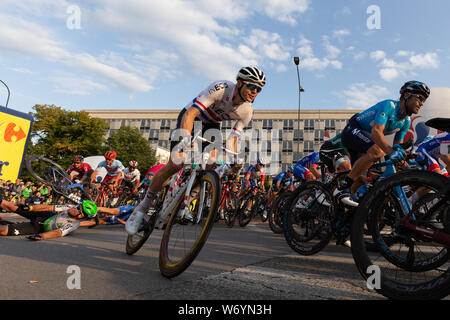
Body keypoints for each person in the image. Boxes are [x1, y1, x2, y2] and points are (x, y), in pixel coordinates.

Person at [126, 66, 266, 235]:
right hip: (192, 116)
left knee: (211, 164)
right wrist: (185, 138)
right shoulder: (221, 88)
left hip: (212, 126)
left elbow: (233, 139)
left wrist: (235, 159)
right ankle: (143, 207)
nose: (255, 92)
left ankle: (186, 201)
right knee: (176, 163)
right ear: (239, 83)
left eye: (259, 89)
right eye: (252, 86)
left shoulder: (247, 110)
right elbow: (191, 114)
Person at [336, 80, 431, 204]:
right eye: (420, 98)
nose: (422, 103)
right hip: (353, 130)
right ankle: (342, 188)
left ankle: (345, 217)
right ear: (407, 95)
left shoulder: (406, 121)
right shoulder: (389, 106)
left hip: (364, 140)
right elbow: (376, 132)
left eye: (424, 100)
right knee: (377, 152)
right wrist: (392, 152)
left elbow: (397, 146)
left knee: (361, 180)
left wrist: (404, 162)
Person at [0, 199, 98, 240]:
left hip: (39, 227)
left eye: (78, 208)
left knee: (4, 231)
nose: (74, 207)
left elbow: (58, 232)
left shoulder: (73, 224)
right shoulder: (69, 206)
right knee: (11, 206)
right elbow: (48, 207)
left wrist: (42, 236)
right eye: (78, 205)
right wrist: (30, 208)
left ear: (81, 216)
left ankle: (7, 224)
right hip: (46, 215)